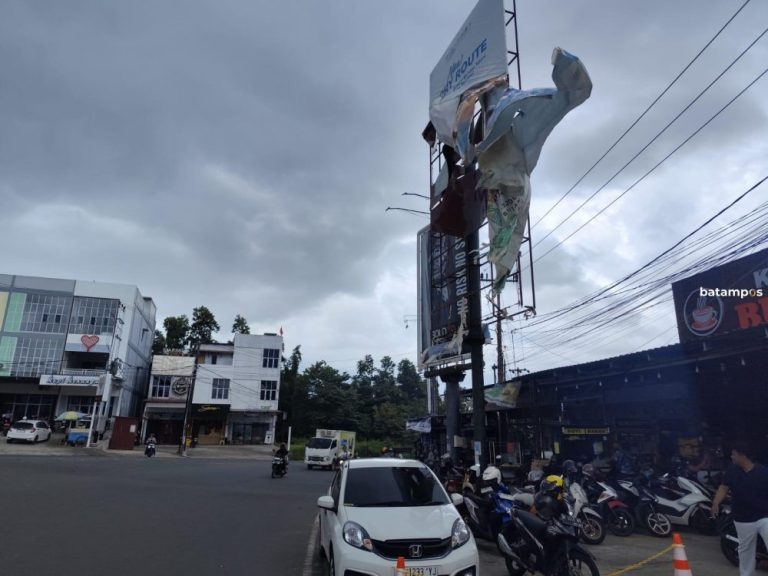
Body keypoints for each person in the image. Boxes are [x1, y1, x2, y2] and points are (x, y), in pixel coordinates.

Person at [712, 442, 768, 576]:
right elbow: (723, 488)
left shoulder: (763, 472)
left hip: (764, 517)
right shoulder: (732, 471)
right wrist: (716, 502)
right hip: (742, 518)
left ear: (742, 456)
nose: (732, 457)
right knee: (745, 550)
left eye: (734, 454)